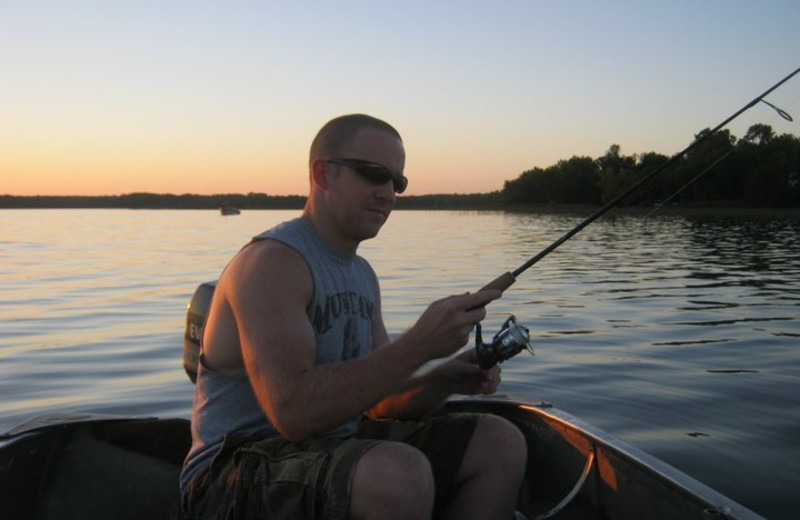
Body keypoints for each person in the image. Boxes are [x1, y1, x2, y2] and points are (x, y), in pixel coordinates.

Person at [180, 114, 527, 519]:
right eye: (374, 175)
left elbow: (380, 403)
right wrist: (418, 346)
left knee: (498, 441)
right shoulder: (271, 264)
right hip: (230, 475)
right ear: (323, 174)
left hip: (334, 448)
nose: (388, 193)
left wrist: (442, 378)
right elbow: (292, 413)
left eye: (397, 183)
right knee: (397, 474)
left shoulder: (362, 275)